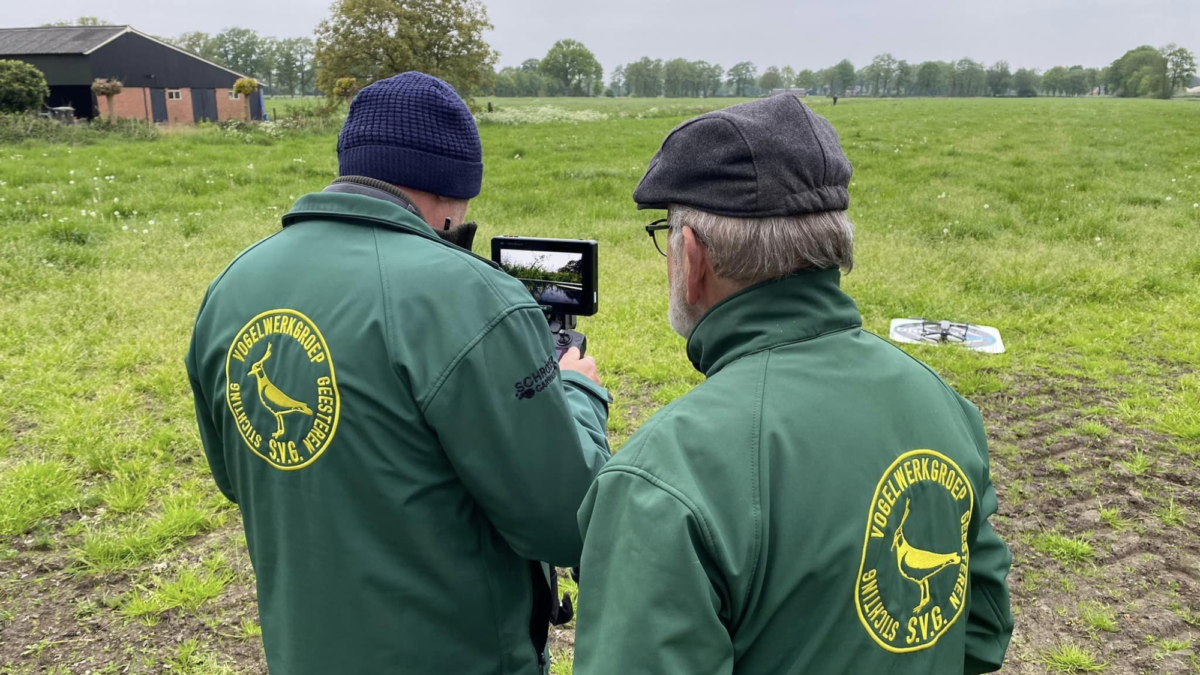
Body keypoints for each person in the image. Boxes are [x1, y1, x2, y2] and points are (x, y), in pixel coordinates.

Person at [186, 72, 611, 675]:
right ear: (453, 189)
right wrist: (578, 392)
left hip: (304, 651)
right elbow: (567, 519)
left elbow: (240, 478)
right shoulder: (474, 298)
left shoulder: (234, 284)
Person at [574, 95, 1013, 674]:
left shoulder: (665, 475)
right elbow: (980, 635)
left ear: (691, 255)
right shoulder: (943, 404)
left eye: (666, 234)